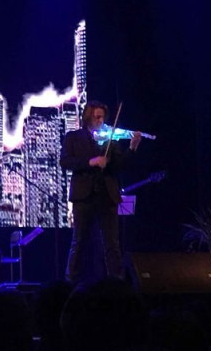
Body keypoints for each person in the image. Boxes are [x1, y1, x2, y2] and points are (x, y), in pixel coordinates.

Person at [60, 101, 142, 284]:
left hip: (107, 195)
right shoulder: (73, 137)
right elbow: (65, 162)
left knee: (112, 243)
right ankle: (70, 282)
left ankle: (116, 282)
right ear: (87, 117)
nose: (101, 121)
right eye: (97, 117)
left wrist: (132, 148)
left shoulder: (109, 138)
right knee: (79, 241)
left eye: (103, 117)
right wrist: (92, 161)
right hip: (83, 196)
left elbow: (119, 165)